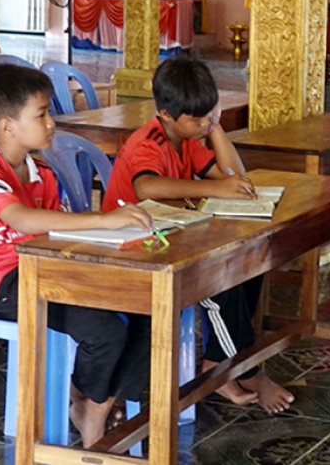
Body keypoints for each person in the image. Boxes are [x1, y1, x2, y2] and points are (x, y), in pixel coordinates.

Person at [0, 64, 154, 447]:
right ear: (8, 125)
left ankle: (95, 402)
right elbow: (23, 220)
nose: (51, 123)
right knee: (105, 330)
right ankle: (90, 407)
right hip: (6, 285)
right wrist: (104, 221)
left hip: (48, 272)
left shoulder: (41, 170)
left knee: (149, 307)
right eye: (42, 114)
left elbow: (57, 227)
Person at [103, 56, 295, 414]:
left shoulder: (188, 136)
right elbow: (147, 185)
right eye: (197, 118)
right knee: (219, 280)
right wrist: (219, 189)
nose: (203, 122)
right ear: (165, 114)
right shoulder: (149, 141)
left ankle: (218, 364)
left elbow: (234, 173)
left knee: (248, 263)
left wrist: (215, 128)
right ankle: (243, 371)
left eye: (208, 113)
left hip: (170, 239)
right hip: (134, 249)